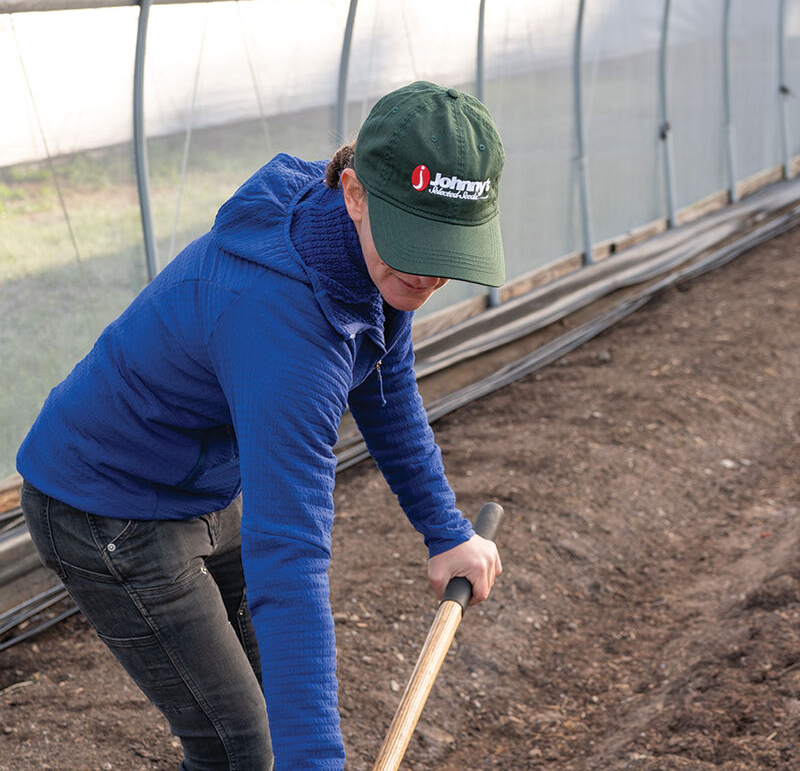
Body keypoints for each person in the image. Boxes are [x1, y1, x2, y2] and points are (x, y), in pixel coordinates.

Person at [17, 80, 505, 771]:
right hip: (105, 509)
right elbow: (289, 559)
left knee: (277, 714)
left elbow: (386, 385)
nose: (428, 276)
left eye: (445, 250)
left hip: (200, 484)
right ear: (356, 192)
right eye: (415, 244)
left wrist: (445, 530)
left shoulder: (356, 244)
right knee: (238, 743)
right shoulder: (283, 330)